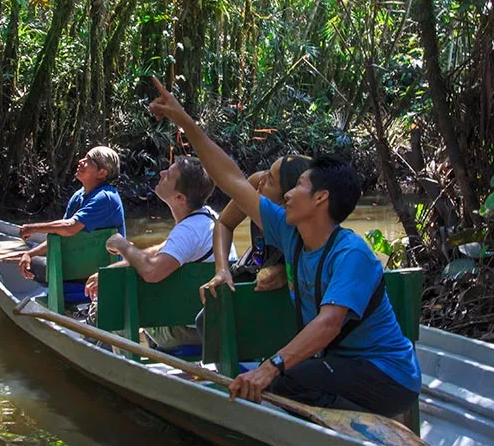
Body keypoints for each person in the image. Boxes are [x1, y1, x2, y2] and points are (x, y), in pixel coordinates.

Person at [148, 77, 420, 418]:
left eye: (299, 187)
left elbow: (329, 324)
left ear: (321, 198)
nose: (287, 194)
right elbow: (230, 179)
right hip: (337, 364)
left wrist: (270, 366)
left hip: (387, 376)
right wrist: (184, 120)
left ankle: (361, 424)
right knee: (282, 382)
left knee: (281, 382)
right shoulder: (291, 233)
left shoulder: (351, 253)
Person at [84, 156, 236, 349]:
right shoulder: (210, 218)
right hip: (216, 324)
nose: (162, 173)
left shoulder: (187, 231)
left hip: (189, 331)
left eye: (169, 175)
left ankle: (94, 359)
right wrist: (110, 271)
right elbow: (158, 250)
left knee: (110, 312)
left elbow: (152, 272)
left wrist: (122, 244)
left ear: (180, 198)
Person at [201, 155, 312, 304]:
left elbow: (316, 262)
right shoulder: (256, 184)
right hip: (256, 263)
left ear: (287, 200)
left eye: (270, 180)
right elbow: (224, 223)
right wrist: (222, 269)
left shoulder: (305, 224)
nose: (262, 178)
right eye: (267, 172)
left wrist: (286, 272)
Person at [17, 146, 126, 283]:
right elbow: (61, 235)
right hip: (78, 272)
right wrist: (29, 253)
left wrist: (32, 228)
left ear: (102, 173)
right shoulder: (78, 196)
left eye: (89, 160)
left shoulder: (106, 197)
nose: (81, 161)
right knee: (32, 258)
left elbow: (69, 227)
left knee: (34, 264)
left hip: (99, 275)